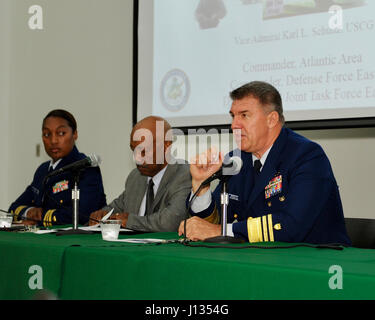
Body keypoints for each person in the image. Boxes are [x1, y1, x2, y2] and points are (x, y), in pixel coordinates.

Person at [179, 81, 351, 245]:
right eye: (233, 116)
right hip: (260, 259)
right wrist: (201, 186)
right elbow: (215, 221)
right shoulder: (237, 160)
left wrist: (221, 232)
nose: (234, 125)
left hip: (315, 263)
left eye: (244, 115)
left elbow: (292, 226)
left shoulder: (307, 156)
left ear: (271, 119)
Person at [89, 116, 192, 232]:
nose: (137, 158)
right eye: (134, 150)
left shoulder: (185, 174)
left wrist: (129, 222)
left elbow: (170, 222)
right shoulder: (135, 176)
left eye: (144, 151)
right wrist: (102, 214)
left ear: (166, 146)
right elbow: (116, 208)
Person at [9, 109, 106, 227]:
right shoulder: (43, 170)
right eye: (47, 134)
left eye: (61, 133)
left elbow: (82, 214)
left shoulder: (85, 167)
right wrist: (29, 212)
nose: (53, 141)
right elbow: (13, 208)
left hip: (76, 240)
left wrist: (39, 219)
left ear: (75, 134)